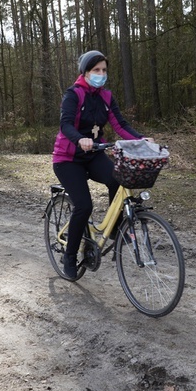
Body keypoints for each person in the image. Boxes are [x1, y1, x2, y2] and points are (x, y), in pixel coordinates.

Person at [52, 50, 152, 281]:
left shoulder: (106, 97)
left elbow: (120, 123)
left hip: (94, 153)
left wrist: (140, 139)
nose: (101, 74)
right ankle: (69, 256)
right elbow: (65, 124)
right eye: (96, 70)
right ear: (85, 72)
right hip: (68, 158)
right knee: (84, 206)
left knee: (118, 178)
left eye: (104, 70)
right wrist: (79, 138)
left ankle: (116, 229)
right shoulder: (73, 95)